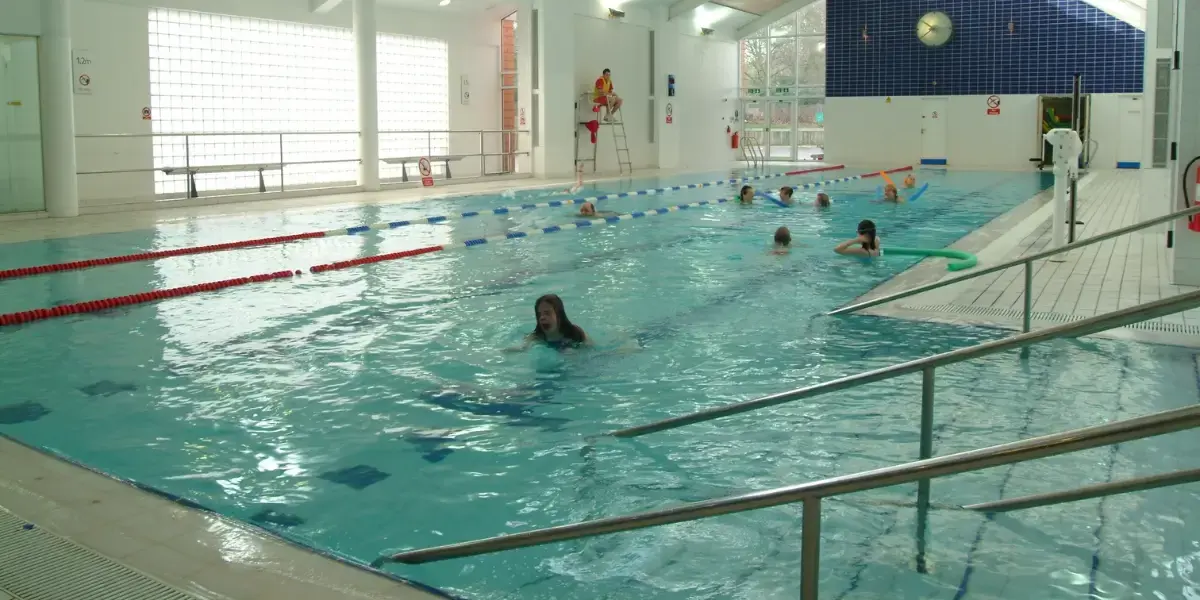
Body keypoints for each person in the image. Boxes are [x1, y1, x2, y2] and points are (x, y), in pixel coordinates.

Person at [518, 294, 588, 350]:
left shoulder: (576, 333)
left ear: (559, 315)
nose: (542, 317)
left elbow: (591, 350)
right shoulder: (535, 337)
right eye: (539, 314)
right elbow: (522, 348)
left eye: (547, 313)